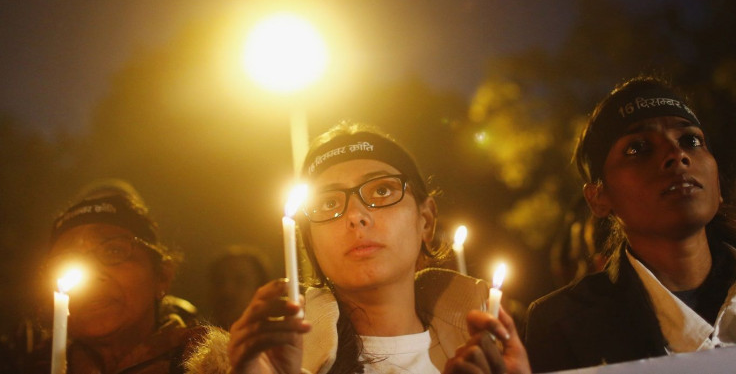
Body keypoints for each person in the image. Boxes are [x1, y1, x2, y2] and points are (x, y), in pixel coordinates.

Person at [227, 122, 529, 374]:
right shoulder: (277, 362)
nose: (356, 216)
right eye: (328, 203)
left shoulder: (494, 354)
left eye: (382, 190)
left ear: (425, 220)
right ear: (309, 241)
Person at [524, 76, 736, 372]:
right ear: (598, 198)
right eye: (638, 148)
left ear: (719, 182)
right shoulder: (564, 326)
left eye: (691, 140)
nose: (677, 155)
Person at [30, 179, 228, 374]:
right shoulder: (27, 363)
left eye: (113, 251)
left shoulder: (220, 364)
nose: (90, 275)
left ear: (162, 276)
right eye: (67, 260)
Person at [208, 245, 272, 330]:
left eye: (240, 281)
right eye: (219, 281)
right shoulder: (194, 340)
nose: (227, 291)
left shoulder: (276, 340)